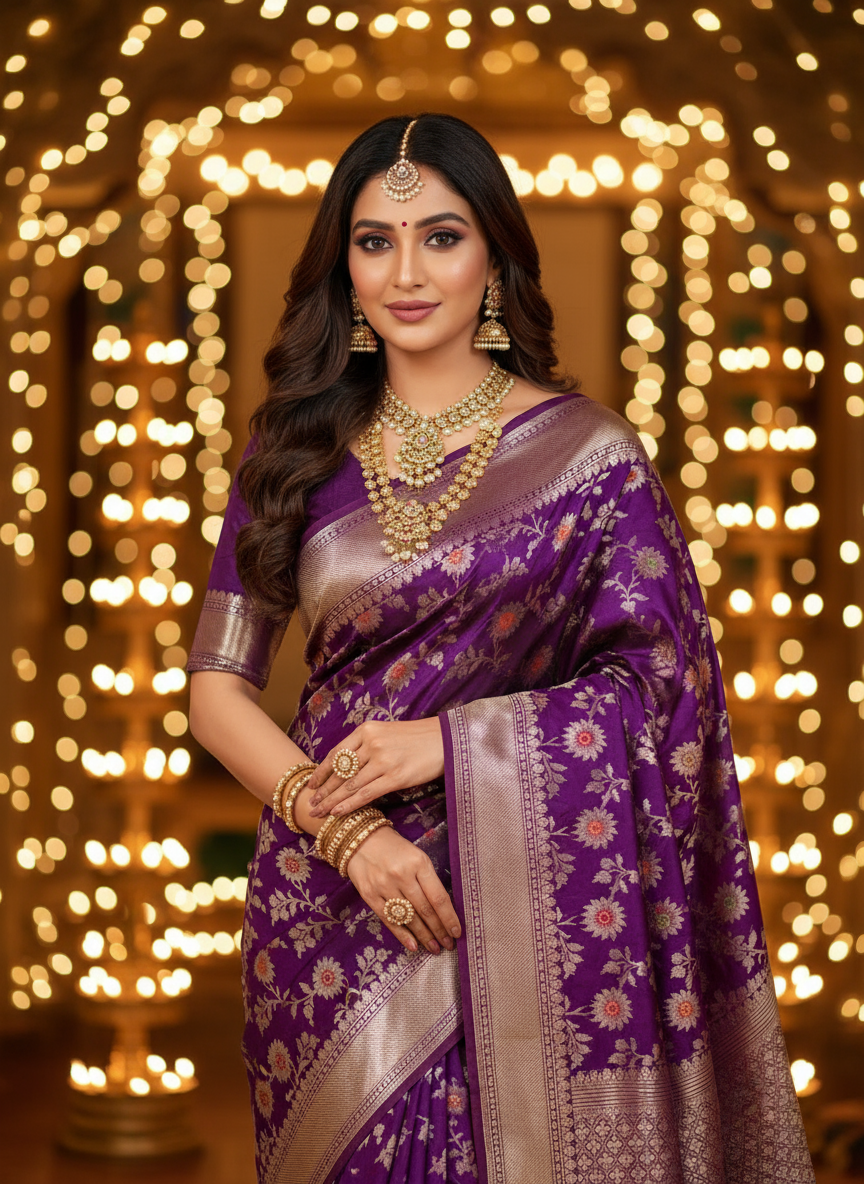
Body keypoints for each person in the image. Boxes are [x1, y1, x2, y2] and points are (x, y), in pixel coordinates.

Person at [187, 113, 814, 1184]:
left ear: (495, 256)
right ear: (343, 263)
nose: (406, 273)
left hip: (534, 905)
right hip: (328, 900)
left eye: (441, 236)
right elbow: (215, 690)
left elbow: (664, 692)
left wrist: (451, 742)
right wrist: (349, 837)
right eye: (375, 241)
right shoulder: (292, 447)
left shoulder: (591, 458)